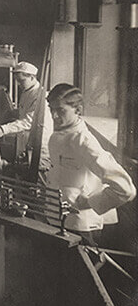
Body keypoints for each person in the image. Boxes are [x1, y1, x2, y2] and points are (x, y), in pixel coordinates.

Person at [46, 84, 136, 245]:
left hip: (80, 226)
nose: (54, 116)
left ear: (77, 110)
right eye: (51, 109)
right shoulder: (57, 136)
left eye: (60, 110)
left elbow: (125, 189)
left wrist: (90, 202)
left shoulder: (84, 141)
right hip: (56, 219)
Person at [0, 61, 52, 175]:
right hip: (28, 146)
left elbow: (30, 121)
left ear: (32, 77)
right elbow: (24, 114)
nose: (19, 84)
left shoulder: (41, 96)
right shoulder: (27, 92)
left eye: (22, 81)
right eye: (17, 81)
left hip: (40, 148)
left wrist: (4, 129)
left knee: (38, 180)